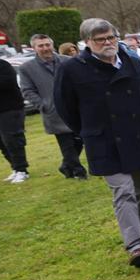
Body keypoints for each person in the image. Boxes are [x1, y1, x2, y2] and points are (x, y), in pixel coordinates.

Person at [55, 18, 140, 268]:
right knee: (123, 192)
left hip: (135, 135)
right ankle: (136, 245)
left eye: (111, 37)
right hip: (104, 141)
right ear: (87, 42)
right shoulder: (72, 69)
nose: (107, 43)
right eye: (100, 39)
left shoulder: (133, 62)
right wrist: (89, 130)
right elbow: (65, 106)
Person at [17, 34, 87, 179]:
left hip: (74, 109)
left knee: (79, 141)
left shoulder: (68, 61)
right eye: (41, 46)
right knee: (66, 144)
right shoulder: (27, 68)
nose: (45, 48)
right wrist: (43, 105)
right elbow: (27, 90)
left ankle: (66, 166)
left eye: (47, 45)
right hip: (53, 112)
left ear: (52, 45)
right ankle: (79, 172)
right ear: (34, 48)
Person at [0, 49, 29, 183]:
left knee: (12, 140)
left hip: (9, 109)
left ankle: (22, 170)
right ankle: (15, 168)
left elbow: (7, 83)